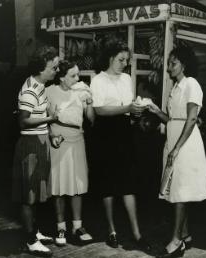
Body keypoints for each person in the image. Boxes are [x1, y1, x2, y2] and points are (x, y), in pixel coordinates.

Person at [148, 46, 206, 258]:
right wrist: (157, 111)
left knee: (180, 192)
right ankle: (185, 236)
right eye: (169, 63)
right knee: (175, 190)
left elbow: (192, 118)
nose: (169, 68)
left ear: (184, 64)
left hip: (185, 143)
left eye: (173, 63)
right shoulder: (176, 87)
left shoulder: (191, 84)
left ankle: (176, 242)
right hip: (173, 139)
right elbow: (172, 119)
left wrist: (177, 148)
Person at [90, 38, 151, 252]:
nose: (124, 63)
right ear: (110, 58)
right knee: (108, 183)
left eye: (126, 60)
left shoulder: (127, 78)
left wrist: (137, 111)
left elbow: (129, 106)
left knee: (128, 182)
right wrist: (127, 109)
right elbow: (98, 110)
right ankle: (112, 231)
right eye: (120, 59)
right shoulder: (98, 80)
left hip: (125, 133)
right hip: (106, 133)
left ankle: (136, 233)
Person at [12, 46, 60, 256]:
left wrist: (51, 133)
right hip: (30, 146)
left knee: (38, 191)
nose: (56, 71)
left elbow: (40, 117)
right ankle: (31, 240)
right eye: (53, 67)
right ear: (41, 69)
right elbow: (23, 121)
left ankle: (36, 232)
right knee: (28, 194)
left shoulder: (40, 86)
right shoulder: (31, 89)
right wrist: (50, 119)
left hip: (40, 141)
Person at [46, 60, 94, 246]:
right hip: (58, 141)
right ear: (61, 77)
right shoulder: (50, 91)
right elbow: (44, 118)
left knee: (77, 185)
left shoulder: (81, 91)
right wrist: (51, 134)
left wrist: (89, 100)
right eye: (72, 75)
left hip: (77, 141)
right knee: (58, 186)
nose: (77, 79)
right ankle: (61, 227)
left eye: (78, 75)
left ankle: (77, 226)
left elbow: (90, 119)